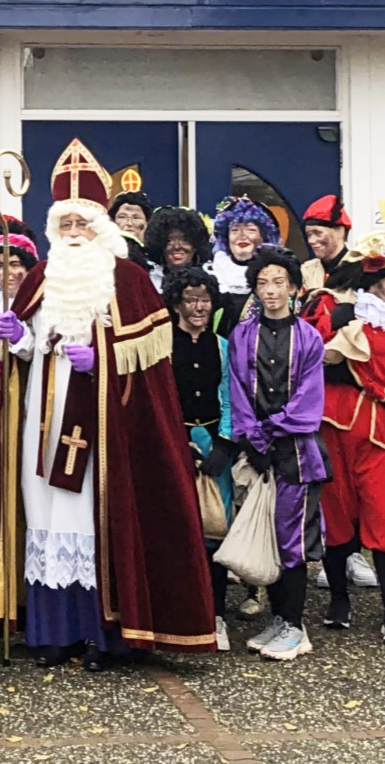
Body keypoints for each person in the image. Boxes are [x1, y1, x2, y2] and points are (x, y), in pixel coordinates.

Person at [0, 140, 216, 669]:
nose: (75, 235)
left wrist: (102, 359)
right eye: (66, 226)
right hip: (42, 424)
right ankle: (52, 632)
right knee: (44, 520)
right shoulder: (38, 278)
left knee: (95, 526)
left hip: (106, 432)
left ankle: (107, 636)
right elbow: (23, 353)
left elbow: (154, 361)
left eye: (83, 224)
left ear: (103, 226)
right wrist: (14, 336)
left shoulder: (128, 281)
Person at [314, 231, 385, 645]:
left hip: (377, 431)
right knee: (338, 514)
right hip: (332, 424)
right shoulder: (340, 314)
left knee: (382, 516)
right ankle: (339, 600)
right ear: (372, 284)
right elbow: (313, 362)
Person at [222, 245, 327, 662]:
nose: (270, 291)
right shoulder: (241, 335)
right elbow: (238, 391)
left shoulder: (309, 337)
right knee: (268, 533)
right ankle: (279, 619)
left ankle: (295, 626)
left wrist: (272, 431)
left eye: (278, 282)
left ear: (294, 288)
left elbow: (308, 399)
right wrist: (253, 436)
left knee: (292, 539)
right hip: (259, 452)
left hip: (297, 454)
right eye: (263, 283)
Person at [163, 264, 234, 650]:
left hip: (214, 450)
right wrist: (177, 443)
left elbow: (229, 396)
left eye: (204, 299)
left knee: (214, 533)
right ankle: (178, 614)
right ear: (177, 302)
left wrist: (224, 442)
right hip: (174, 445)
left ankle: (216, 615)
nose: (198, 307)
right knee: (177, 532)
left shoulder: (222, 346)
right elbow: (160, 399)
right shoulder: (161, 344)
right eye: (190, 299)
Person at [208, 197, 277, 302]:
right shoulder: (213, 272)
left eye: (250, 230)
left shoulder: (276, 272)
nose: (242, 236)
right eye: (235, 230)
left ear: (264, 236)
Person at [143, 206, 212, 292]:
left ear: (195, 245)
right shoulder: (149, 279)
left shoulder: (211, 276)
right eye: (169, 240)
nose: (177, 246)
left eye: (185, 240)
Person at [299, 195, 354, 301]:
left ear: (340, 231)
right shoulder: (306, 270)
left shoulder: (360, 268)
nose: (311, 241)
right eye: (309, 234)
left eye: (318, 233)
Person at [109, 190, 154, 265]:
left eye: (136, 218)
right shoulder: (103, 258)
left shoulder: (157, 263)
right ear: (113, 221)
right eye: (122, 217)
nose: (129, 223)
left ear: (147, 222)